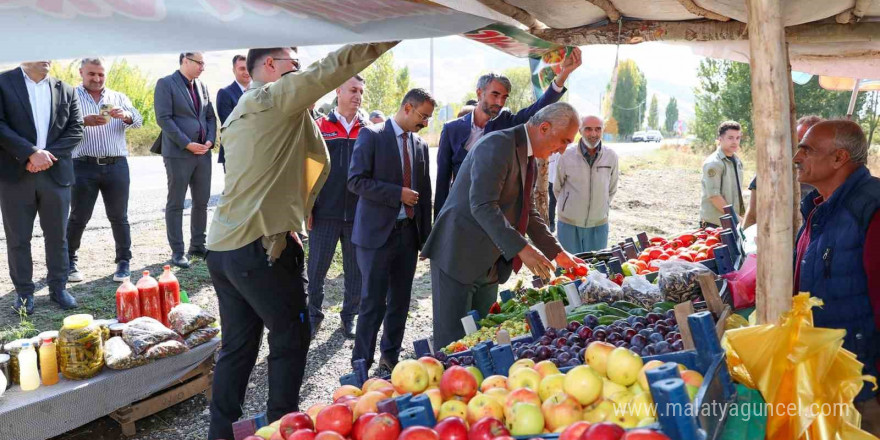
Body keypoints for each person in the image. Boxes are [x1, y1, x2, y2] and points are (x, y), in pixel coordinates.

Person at [204, 42, 396, 440]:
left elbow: (288, 167)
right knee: (291, 338)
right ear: (271, 66)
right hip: (260, 246)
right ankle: (284, 429)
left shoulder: (243, 108)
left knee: (238, 348)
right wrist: (385, 31)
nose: (301, 71)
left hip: (226, 246)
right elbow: (332, 68)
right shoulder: (274, 97)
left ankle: (221, 434)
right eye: (295, 64)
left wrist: (294, 214)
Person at [423, 103, 585, 349]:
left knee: (482, 338)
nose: (563, 150)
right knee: (454, 344)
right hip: (458, 255)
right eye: (563, 141)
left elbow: (526, 210)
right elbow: (483, 205)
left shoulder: (526, 152)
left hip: (490, 261)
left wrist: (557, 252)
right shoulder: (498, 145)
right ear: (544, 128)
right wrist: (523, 248)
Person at [792, 120, 880, 428]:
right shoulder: (819, 208)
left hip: (864, 384)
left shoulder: (871, 209)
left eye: (807, 149)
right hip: (827, 373)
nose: (796, 157)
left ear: (839, 158)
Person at [434, 48, 583, 218]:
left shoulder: (506, 122)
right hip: (460, 212)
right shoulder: (452, 129)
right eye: (495, 94)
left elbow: (538, 108)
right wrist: (439, 221)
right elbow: (442, 180)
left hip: (493, 212)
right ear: (479, 93)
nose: (499, 102)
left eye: (504, 97)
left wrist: (562, 76)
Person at [348, 88, 435, 372]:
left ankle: (390, 359)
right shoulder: (371, 135)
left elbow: (425, 194)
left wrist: (426, 239)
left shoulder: (420, 145)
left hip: (408, 234)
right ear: (407, 108)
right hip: (375, 236)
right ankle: (361, 363)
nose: (425, 123)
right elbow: (356, 181)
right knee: (372, 302)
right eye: (423, 116)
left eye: (428, 118)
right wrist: (397, 193)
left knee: (400, 301)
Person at [0, 61, 82, 314]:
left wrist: (44, 157)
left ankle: (58, 288)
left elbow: (76, 129)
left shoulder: (66, 89)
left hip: (55, 175)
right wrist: (29, 153)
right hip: (15, 174)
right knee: (18, 239)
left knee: (57, 237)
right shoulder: (3, 83)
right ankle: (24, 293)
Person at [67, 58, 143, 283]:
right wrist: (82, 121)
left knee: (119, 216)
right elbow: (58, 123)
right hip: (83, 165)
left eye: (101, 74)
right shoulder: (70, 95)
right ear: (81, 72)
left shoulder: (118, 97)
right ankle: (69, 260)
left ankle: (123, 261)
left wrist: (126, 116)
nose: (97, 79)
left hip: (116, 165)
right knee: (79, 216)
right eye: (91, 74)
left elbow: (138, 120)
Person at [309, 75, 367, 339]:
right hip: (324, 213)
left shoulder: (368, 129)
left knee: (355, 271)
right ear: (338, 90)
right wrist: (308, 206)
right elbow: (308, 170)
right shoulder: (319, 127)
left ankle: (349, 317)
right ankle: (313, 315)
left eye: (361, 92)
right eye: (353, 90)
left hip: (358, 215)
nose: (358, 96)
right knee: (316, 269)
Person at [152, 51, 217, 268]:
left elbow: (210, 117)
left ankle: (198, 245)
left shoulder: (202, 86)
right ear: (185, 61)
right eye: (199, 63)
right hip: (179, 153)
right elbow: (164, 119)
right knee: (176, 203)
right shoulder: (166, 84)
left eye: (204, 63)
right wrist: (187, 143)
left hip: (203, 153)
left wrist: (209, 141)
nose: (203, 67)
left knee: (201, 201)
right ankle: (178, 251)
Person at [742, 115, 821, 230]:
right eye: (797, 142)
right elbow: (753, 216)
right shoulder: (768, 172)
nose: (799, 152)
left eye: (808, 147)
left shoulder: (831, 179)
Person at [554, 115, 618, 253]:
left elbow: (611, 189)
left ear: (602, 130)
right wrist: (569, 209)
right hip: (569, 225)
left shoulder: (611, 156)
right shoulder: (565, 155)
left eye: (598, 129)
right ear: (580, 130)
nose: (593, 134)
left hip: (598, 225)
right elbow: (557, 188)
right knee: (567, 271)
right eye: (588, 129)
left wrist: (601, 209)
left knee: (596, 271)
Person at [700, 120, 745, 228]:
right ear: (720, 139)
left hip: (732, 223)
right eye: (730, 138)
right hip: (715, 225)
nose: (735, 142)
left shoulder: (737, 161)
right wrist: (737, 218)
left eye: (738, 138)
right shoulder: (714, 163)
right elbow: (714, 196)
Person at [215, 54, 250, 172]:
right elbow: (229, 124)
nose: (246, 72)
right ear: (234, 70)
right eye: (242, 68)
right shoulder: (225, 93)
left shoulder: (258, 92)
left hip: (254, 153)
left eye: (248, 67)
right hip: (234, 153)